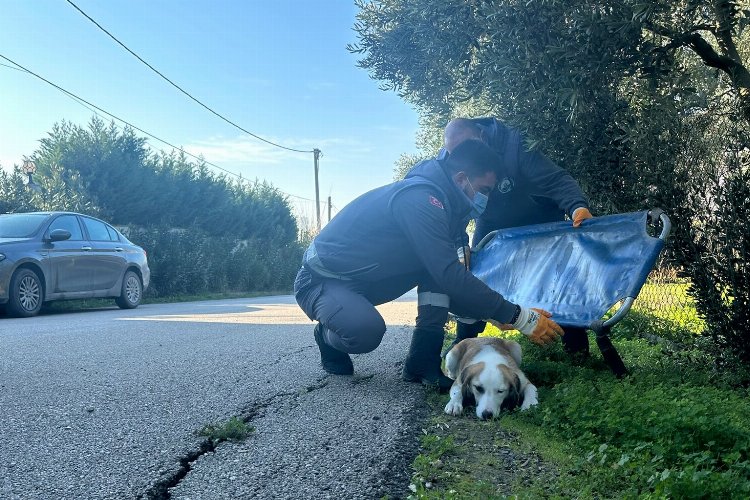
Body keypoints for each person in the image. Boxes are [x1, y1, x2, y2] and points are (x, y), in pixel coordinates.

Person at [294, 140, 564, 389]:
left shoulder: (451, 211)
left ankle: (421, 363)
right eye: (484, 190)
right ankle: (326, 336)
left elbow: (450, 281)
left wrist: (501, 315)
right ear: (461, 179)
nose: (487, 199)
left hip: (369, 282)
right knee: (365, 332)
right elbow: (448, 274)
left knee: (439, 273)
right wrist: (518, 316)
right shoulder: (421, 200)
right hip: (321, 279)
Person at [442, 118, 593, 356]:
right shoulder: (450, 158)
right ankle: (463, 341)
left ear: (480, 136)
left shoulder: (514, 145)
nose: (462, 155)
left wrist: (576, 207)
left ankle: (576, 348)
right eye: (455, 153)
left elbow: (555, 179)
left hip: (540, 220)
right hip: (492, 222)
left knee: (558, 280)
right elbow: (455, 203)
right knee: (476, 271)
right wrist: (459, 244)